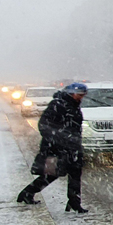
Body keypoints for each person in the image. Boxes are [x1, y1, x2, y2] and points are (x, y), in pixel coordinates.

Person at [17, 82, 89, 212]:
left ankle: (74, 202)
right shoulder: (58, 105)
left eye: (83, 95)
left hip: (72, 147)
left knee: (75, 173)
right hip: (56, 148)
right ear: (71, 93)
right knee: (51, 174)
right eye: (80, 95)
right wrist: (58, 141)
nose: (81, 97)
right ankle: (27, 193)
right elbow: (44, 125)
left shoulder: (73, 105)